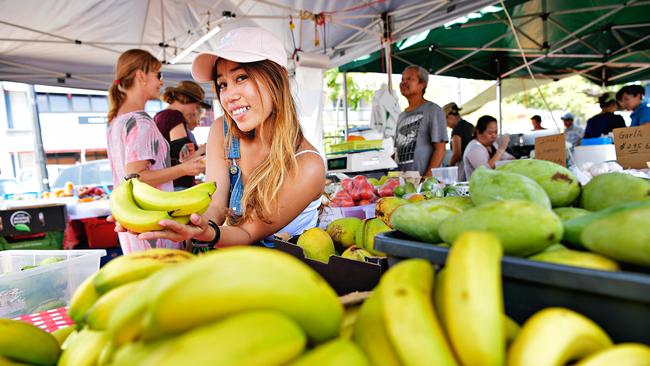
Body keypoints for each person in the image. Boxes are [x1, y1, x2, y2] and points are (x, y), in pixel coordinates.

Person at [132, 27, 325, 249]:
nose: (229, 96)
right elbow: (215, 205)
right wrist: (193, 225)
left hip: (288, 276)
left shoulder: (307, 165)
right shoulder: (222, 131)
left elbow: (246, 231)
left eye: (241, 77)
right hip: (237, 268)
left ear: (277, 79)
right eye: (223, 84)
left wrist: (208, 233)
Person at [106, 49, 206, 254]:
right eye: (158, 75)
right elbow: (137, 177)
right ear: (140, 76)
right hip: (153, 227)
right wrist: (185, 169)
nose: (161, 82)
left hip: (132, 221)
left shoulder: (115, 122)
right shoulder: (140, 121)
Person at [154, 80, 212, 189]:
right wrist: (205, 148)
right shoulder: (174, 116)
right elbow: (185, 158)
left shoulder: (159, 116)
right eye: (196, 106)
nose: (195, 111)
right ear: (187, 100)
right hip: (178, 186)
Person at [394, 65, 448, 176]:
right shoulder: (401, 116)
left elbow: (440, 149)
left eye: (410, 79)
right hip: (403, 182)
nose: (404, 82)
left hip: (424, 185)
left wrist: (426, 179)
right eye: (402, 79)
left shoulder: (433, 110)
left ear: (422, 84)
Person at [463, 115, 514, 179]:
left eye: (495, 132)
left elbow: (509, 158)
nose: (494, 136)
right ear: (478, 132)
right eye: (490, 133)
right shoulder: (474, 148)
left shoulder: (493, 145)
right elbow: (485, 170)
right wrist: (501, 149)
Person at [443, 102, 474, 181]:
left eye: (445, 121)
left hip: (463, 167)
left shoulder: (457, 129)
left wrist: (448, 167)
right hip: (473, 165)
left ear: (450, 116)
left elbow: (457, 154)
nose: (446, 125)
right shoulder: (470, 125)